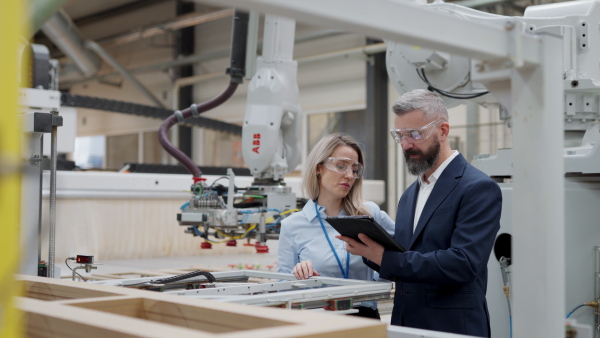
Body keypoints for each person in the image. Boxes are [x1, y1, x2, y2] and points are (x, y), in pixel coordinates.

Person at [337, 89, 502, 337]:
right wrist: (368, 249)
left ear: (443, 131)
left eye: (414, 134)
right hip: (407, 325)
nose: (405, 144)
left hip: (452, 328)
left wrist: (385, 258)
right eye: (399, 135)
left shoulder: (477, 188)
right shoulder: (409, 195)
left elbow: (463, 263)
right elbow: (409, 256)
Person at [277, 133, 395, 319]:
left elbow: (405, 254)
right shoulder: (292, 226)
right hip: (318, 320)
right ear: (318, 169)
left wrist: (379, 274)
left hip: (364, 317)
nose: (349, 175)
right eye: (341, 166)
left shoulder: (370, 214)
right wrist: (298, 275)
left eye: (355, 169)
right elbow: (281, 290)